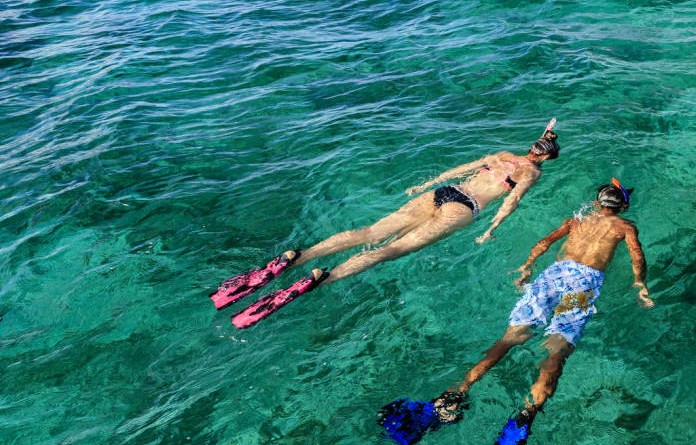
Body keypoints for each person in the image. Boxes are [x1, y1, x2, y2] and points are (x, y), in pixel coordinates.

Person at [212, 124, 560, 328]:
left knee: (369, 234)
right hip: (466, 206)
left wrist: (426, 184)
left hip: (446, 191)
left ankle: (300, 255)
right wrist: (491, 228)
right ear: (545, 156)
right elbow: (512, 200)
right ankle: (323, 277)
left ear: (532, 145)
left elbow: (459, 168)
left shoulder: (502, 154)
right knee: (389, 250)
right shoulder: (530, 172)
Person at [436, 179, 653, 427]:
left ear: (596, 202)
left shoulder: (577, 220)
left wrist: (526, 267)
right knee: (556, 351)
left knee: (509, 338)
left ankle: (458, 390)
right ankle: (526, 415)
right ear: (623, 206)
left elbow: (544, 243)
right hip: (584, 282)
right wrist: (640, 283)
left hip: (554, 274)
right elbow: (636, 255)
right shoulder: (625, 227)